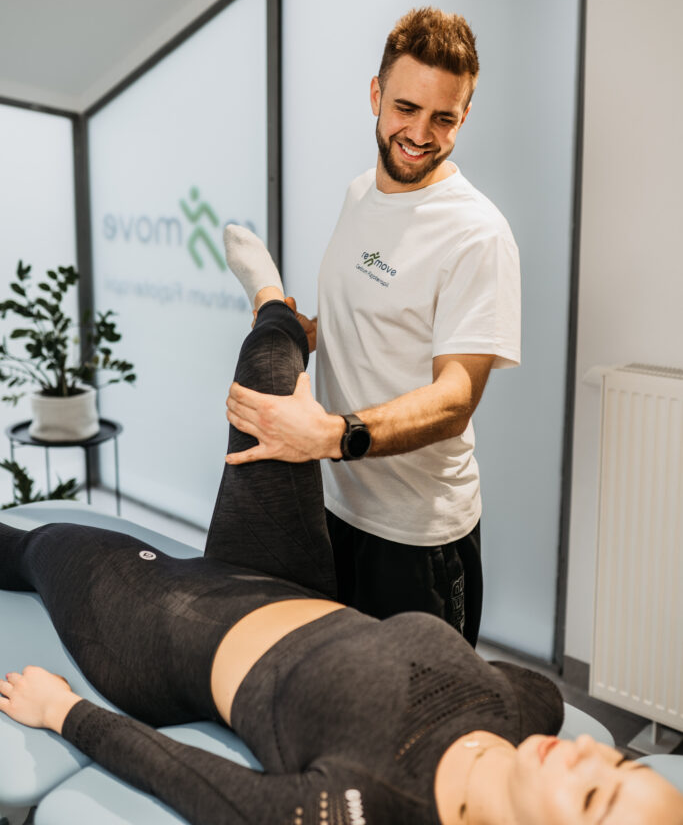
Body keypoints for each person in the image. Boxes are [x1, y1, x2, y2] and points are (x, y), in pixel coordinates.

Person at [1, 259, 682, 825]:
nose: (587, 756)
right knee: (271, 387)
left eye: (592, 799)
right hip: (285, 582)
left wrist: (64, 713)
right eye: (619, 764)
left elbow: (192, 783)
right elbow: (531, 689)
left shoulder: (367, 805)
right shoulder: (526, 709)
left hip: (169, 624)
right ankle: (275, 304)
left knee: (39, 546)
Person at [225, 7, 521, 646]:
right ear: (375, 95)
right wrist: (299, 330)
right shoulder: (361, 193)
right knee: (329, 687)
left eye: (444, 118)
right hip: (334, 509)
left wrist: (332, 434)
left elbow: (455, 400)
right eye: (406, 108)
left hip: (417, 540)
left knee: (414, 708)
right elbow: (363, 320)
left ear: (464, 116)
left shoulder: (478, 233)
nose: (420, 133)